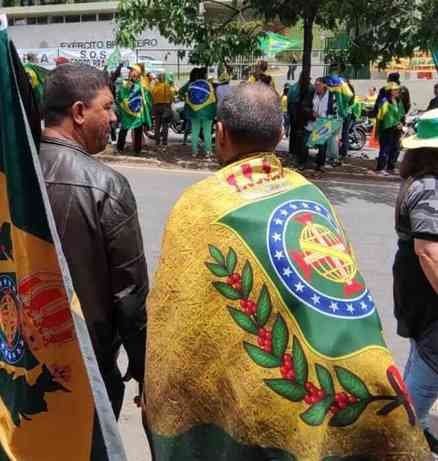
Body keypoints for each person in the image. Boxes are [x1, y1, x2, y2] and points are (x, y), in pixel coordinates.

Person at [143, 82, 430, 460]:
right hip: (358, 386)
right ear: (280, 135)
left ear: (220, 133)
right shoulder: (309, 193)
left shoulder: (199, 205)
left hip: (258, 402)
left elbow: (176, 318)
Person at [39, 63, 148, 419]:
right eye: (108, 106)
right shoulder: (106, 185)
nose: (115, 117)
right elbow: (130, 296)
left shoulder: (10, 174)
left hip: (24, 360)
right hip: (88, 368)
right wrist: (143, 366)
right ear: (79, 112)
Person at [394, 111, 438, 455]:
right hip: (426, 287)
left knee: (420, 355)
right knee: (432, 359)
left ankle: (415, 427)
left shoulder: (422, 180)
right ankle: (401, 435)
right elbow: (428, 253)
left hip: (414, 283)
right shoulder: (430, 187)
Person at [180, 67, 216, 157]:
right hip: (207, 112)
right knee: (207, 132)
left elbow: (180, 92)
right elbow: (213, 99)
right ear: (204, 75)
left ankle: (194, 152)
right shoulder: (209, 84)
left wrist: (186, 98)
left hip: (194, 111)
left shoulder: (191, 84)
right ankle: (208, 151)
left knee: (195, 132)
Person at [116, 64, 150, 154]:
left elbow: (146, 95)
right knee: (125, 130)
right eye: (130, 71)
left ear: (137, 73)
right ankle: (121, 148)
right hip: (129, 112)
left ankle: (135, 150)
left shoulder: (141, 85)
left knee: (136, 130)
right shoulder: (127, 83)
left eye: (132, 70)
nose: (130, 72)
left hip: (135, 112)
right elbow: (120, 95)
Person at [307, 77, 338, 172]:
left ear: (324, 85)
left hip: (325, 122)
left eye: (318, 84)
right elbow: (308, 106)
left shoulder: (331, 96)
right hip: (313, 121)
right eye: (315, 84)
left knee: (322, 144)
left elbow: (335, 109)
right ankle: (304, 161)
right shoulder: (312, 94)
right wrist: (311, 112)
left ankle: (320, 164)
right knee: (307, 142)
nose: (316, 86)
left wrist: (330, 120)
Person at [375, 82, 405, 175]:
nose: (397, 91)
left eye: (397, 89)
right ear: (389, 91)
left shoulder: (398, 101)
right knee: (385, 148)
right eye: (395, 90)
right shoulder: (384, 102)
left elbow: (401, 113)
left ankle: (391, 167)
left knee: (395, 148)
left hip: (396, 128)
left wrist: (401, 123)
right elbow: (385, 116)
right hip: (387, 128)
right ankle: (380, 168)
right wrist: (396, 124)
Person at [288, 72, 314, 169]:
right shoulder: (310, 88)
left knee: (294, 134)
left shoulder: (293, 87)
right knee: (302, 135)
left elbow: (289, 102)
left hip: (295, 112)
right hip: (302, 113)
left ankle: (293, 152)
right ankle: (299, 155)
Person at [151, 72, 174, 146]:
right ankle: (164, 141)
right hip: (165, 106)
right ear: (164, 78)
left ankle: (157, 141)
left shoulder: (155, 86)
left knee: (157, 125)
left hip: (156, 106)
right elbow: (171, 97)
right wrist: (169, 106)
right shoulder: (166, 86)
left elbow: (152, 97)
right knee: (165, 125)